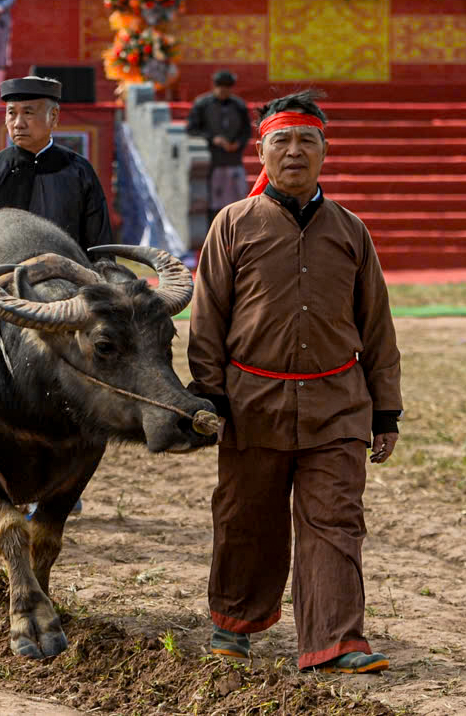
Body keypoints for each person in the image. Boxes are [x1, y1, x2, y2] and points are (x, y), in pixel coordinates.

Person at [185, 91, 400, 672]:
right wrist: (208, 395)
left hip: (337, 406)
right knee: (245, 518)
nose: (295, 151)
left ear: (326, 152)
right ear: (261, 152)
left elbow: (377, 325)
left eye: (308, 140)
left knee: (335, 521)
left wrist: (386, 411)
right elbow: (207, 319)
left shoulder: (351, 231)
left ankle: (335, 641)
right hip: (251, 405)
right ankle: (234, 624)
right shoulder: (234, 224)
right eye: (282, 140)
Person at [0, 77, 111, 253]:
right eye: (11, 113)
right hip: (2, 278)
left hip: (68, 276)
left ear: (53, 116)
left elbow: (100, 246)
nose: (18, 124)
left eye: (28, 113)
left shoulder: (79, 171)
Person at [187, 71, 255, 214]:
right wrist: (213, 139)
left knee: (238, 202)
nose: (224, 91)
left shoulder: (238, 105)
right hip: (212, 160)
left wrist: (238, 143)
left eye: (227, 88)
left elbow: (246, 131)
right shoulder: (202, 104)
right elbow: (192, 129)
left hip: (234, 159)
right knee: (214, 203)